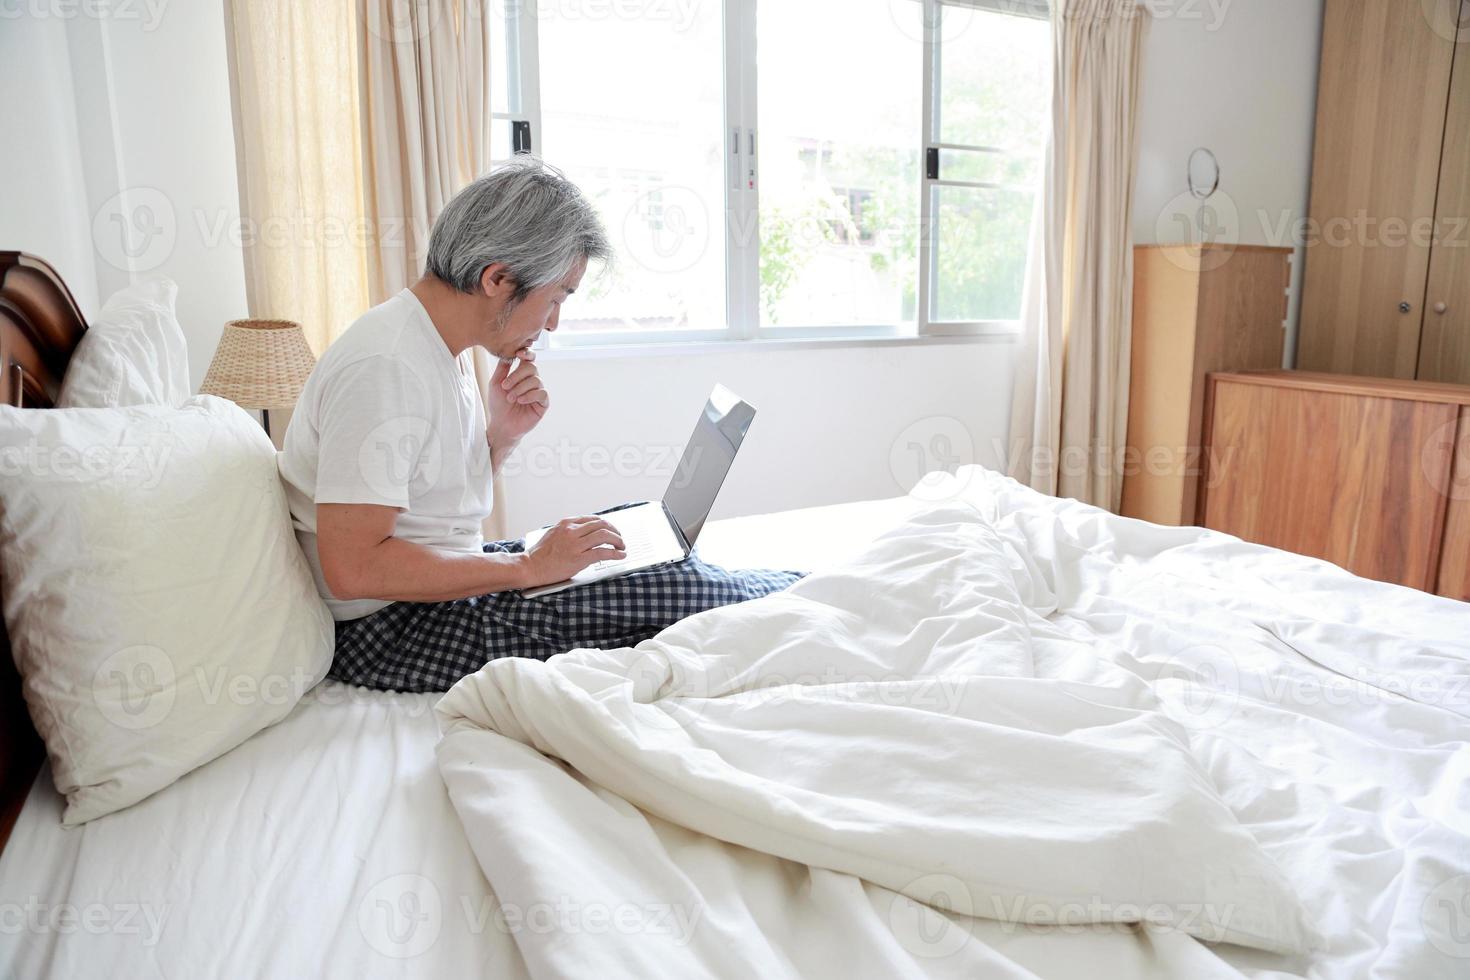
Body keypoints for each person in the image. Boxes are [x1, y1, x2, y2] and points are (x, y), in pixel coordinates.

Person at [277, 159, 799, 692]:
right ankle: (810, 596)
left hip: (428, 593)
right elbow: (354, 567)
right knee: (675, 588)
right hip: (389, 629)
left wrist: (500, 437)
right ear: (497, 279)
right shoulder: (385, 365)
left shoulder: (434, 346)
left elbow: (431, 502)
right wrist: (528, 568)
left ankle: (782, 590)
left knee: (621, 537)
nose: (553, 323)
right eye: (556, 299)